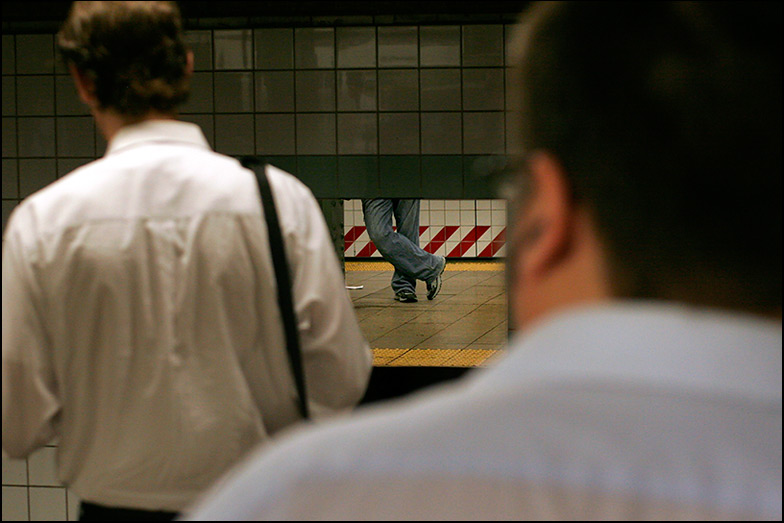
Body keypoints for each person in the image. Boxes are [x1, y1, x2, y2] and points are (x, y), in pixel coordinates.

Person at [181, 1, 782, 520]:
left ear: (548, 217)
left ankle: (421, 275)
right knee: (393, 238)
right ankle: (422, 273)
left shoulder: (305, 493)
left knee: (392, 238)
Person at [1, 2, 372, 521]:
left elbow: (19, 424)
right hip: (253, 503)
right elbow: (343, 377)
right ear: (187, 68)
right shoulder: (278, 202)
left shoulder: (41, 224)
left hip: (113, 509)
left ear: (83, 81)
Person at [362, 198, 446, 302]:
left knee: (408, 233)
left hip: (407, 182)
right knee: (379, 234)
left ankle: (405, 285)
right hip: (373, 185)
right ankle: (431, 266)